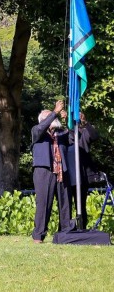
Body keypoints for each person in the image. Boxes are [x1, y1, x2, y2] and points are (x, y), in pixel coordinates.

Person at [31, 100, 71, 243]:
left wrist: (68, 121)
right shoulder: (37, 131)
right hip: (44, 171)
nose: (54, 118)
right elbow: (41, 128)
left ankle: (66, 233)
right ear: (44, 120)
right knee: (44, 203)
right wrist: (54, 111)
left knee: (65, 203)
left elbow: (74, 138)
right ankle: (38, 235)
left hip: (62, 170)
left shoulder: (61, 134)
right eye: (49, 117)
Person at [67, 112, 100, 229]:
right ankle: (67, 228)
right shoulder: (63, 132)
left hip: (82, 175)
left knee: (81, 204)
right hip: (67, 175)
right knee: (66, 205)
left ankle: (82, 228)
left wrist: (85, 123)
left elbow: (95, 136)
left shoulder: (84, 132)